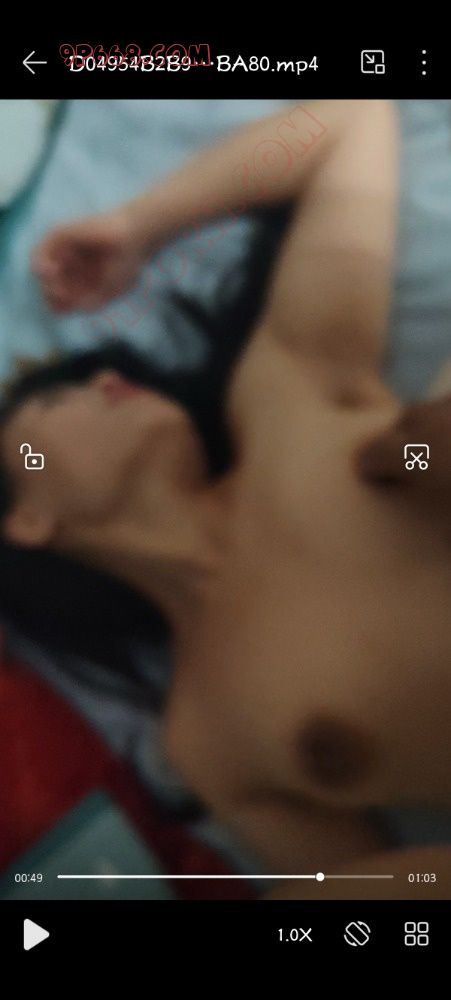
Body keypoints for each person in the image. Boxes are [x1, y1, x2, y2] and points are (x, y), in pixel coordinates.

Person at [2, 99, 451, 896]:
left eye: (100, 374)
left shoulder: (285, 399)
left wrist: (141, 224)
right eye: (58, 402)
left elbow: (349, 119)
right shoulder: (209, 737)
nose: (106, 379)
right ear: (29, 520)